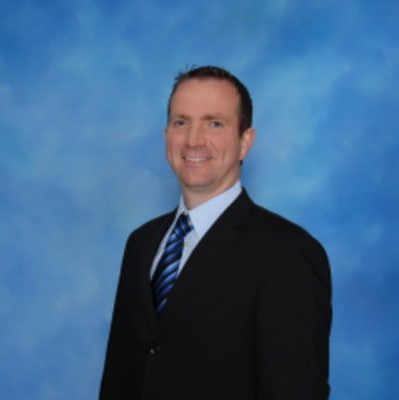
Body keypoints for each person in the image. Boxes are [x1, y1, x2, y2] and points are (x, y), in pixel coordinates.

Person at [99, 65, 332, 399]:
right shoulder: (142, 243)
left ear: (244, 141)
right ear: (167, 135)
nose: (194, 140)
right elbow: (118, 378)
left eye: (214, 123)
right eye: (182, 122)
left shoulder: (288, 253)